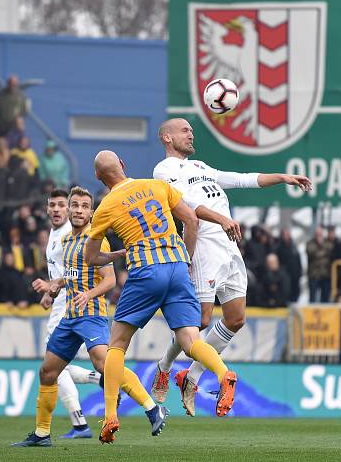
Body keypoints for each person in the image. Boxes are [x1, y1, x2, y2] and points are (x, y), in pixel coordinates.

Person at [148, 119, 310, 416]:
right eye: (184, 130)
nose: (191, 133)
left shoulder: (201, 167)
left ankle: (191, 377)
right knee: (200, 322)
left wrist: (283, 177)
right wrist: (222, 219)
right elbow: (186, 209)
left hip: (229, 247)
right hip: (205, 245)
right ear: (166, 137)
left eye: (191, 130)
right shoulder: (164, 170)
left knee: (235, 319)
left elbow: (243, 178)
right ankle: (165, 366)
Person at [85, 150, 237, 443]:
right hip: (178, 265)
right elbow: (191, 220)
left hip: (145, 269)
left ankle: (110, 416)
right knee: (190, 340)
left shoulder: (105, 207)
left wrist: (117, 253)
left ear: (99, 177)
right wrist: (186, 258)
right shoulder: (158, 186)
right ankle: (223, 374)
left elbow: (92, 256)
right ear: (123, 165)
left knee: (116, 344)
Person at [11, 187, 168, 447]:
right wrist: (56, 285)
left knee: (105, 365)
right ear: (70, 208)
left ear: (91, 212)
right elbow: (74, 274)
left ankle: (153, 408)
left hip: (91, 315)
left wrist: (88, 295)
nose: (79, 210)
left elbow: (110, 281)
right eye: (75, 206)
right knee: (48, 372)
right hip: (70, 318)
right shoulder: (66, 242)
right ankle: (41, 434)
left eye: (85, 206)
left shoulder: (97, 239)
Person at [28, 189, 101, 439]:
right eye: (53, 205)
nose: (57, 209)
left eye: (62, 205)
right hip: (61, 300)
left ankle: (79, 422)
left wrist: (53, 288)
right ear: (47, 209)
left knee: (52, 367)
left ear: (69, 209)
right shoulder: (55, 234)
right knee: (54, 366)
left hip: (72, 304)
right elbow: (61, 270)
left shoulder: (70, 236)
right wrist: (50, 292)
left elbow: (75, 272)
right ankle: (96, 381)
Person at [306, 226, 334, 302]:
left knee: (325, 297)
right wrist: (323, 251)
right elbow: (311, 252)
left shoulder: (328, 242)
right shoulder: (310, 243)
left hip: (326, 274)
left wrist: (319, 251)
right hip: (314, 275)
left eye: (320, 233)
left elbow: (331, 250)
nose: (319, 235)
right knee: (312, 297)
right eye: (317, 233)